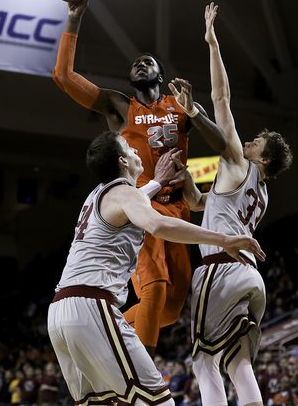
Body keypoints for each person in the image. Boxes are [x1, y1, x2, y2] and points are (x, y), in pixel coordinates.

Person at [52, 0, 228, 357]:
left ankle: (104, 326)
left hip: (177, 208)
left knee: (172, 307)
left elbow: (224, 144)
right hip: (141, 207)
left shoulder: (179, 107)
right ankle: (143, 379)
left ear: (161, 76)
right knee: (156, 288)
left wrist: (194, 111)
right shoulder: (119, 105)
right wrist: (74, 18)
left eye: (148, 62)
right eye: (135, 63)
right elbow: (64, 76)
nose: (140, 64)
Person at [47, 130, 266, 406]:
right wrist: (224, 239)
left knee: (103, 403)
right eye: (129, 147)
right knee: (159, 401)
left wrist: (156, 182)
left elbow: (134, 200)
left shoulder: (96, 196)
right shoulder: (124, 192)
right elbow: (159, 225)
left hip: (59, 312)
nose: (137, 150)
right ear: (122, 162)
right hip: (91, 305)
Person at [169, 3, 293, 406]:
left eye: (257, 142)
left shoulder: (239, 159)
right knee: (237, 362)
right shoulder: (261, 191)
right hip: (250, 278)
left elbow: (221, 96)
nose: (249, 140)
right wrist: (187, 179)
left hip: (221, 270)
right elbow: (199, 203)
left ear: (264, 159)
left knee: (204, 362)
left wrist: (212, 42)